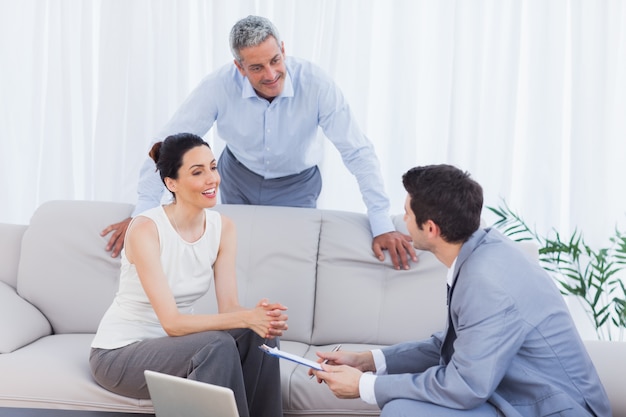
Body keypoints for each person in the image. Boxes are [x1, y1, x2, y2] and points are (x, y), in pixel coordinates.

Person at [101, 15, 417, 270]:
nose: (270, 74)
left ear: (282, 48)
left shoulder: (317, 84)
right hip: (238, 176)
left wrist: (381, 223)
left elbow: (358, 153)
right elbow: (167, 144)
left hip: (298, 184)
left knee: (290, 262)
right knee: (236, 257)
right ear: (239, 67)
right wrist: (143, 215)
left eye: (275, 60)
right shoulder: (218, 86)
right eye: (256, 67)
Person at [311, 164, 612, 416]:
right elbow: (457, 346)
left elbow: (464, 386)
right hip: (511, 393)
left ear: (430, 229)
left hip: (555, 409)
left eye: (406, 213)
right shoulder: (483, 250)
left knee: (402, 411)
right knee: (401, 407)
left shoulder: (486, 282)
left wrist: (363, 386)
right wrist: (368, 361)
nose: (402, 220)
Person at [90, 133, 288, 417]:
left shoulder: (224, 228)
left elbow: (229, 308)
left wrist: (258, 318)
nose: (212, 179)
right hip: (120, 354)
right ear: (172, 183)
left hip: (178, 349)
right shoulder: (146, 230)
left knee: (260, 334)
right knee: (216, 345)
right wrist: (245, 317)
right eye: (198, 172)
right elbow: (172, 324)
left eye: (213, 167)